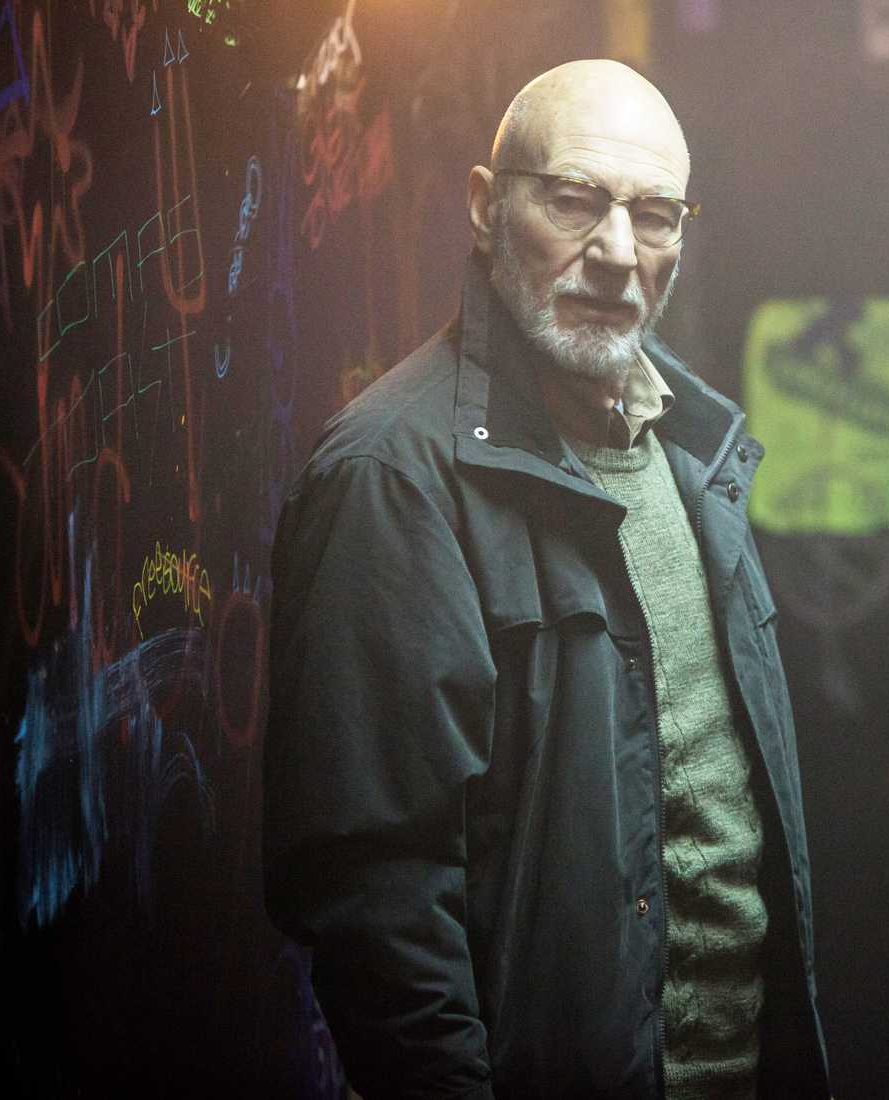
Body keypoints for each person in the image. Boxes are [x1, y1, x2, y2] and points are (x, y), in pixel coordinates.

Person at [263, 60, 829, 1100]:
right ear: (486, 208)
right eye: (576, 200)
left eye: (654, 215)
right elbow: (378, 904)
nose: (617, 252)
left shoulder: (695, 455)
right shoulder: (392, 474)